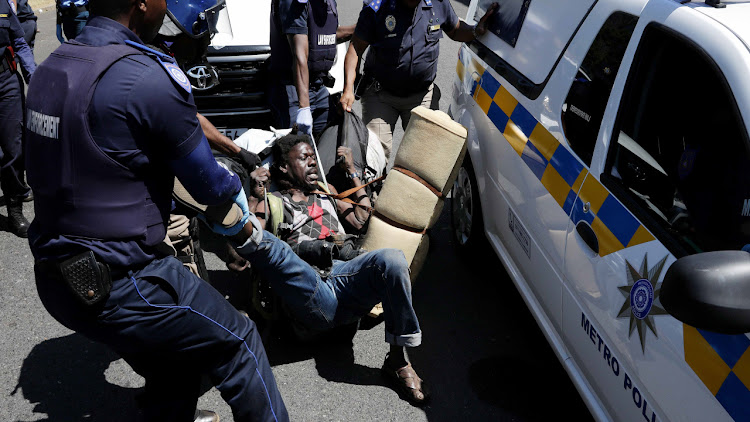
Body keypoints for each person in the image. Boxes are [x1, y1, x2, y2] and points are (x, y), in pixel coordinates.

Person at [24, 0, 288, 420]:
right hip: (123, 280)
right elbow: (207, 183)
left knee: (174, 362)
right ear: (143, 3)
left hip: (56, 276)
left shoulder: (51, 68)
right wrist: (235, 182)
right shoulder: (145, 76)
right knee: (240, 341)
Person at [233, 134, 428, 405]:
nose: (313, 162)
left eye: (314, 157)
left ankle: (396, 360)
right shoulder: (273, 200)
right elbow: (246, 255)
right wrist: (254, 198)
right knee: (277, 251)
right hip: (310, 293)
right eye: (304, 158)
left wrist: (353, 175)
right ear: (284, 168)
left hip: (346, 282)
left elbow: (363, 220)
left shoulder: (327, 191)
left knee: (392, 260)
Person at [340, 0, 498, 159]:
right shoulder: (377, 7)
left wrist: (475, 31)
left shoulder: (438, 3)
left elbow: (456, 30)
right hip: (381, 95)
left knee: (420, 158)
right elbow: (356, 48)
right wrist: (348, 89)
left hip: (422, 96)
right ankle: (375, 183)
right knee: (374, 157)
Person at [268, 0, 354, 137]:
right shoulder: (294, 2)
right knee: (298, 150)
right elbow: (299, 54)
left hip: (319, 87)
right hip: (294, 90)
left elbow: (327, 35)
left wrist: (364, 28)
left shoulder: (327, 3)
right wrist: (304, 107)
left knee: (328, 143)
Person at [0, 0, 34, 237]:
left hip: (6, 81)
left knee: (14, 147)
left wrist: (34, 75)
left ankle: (14, 210)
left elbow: (20, 42)